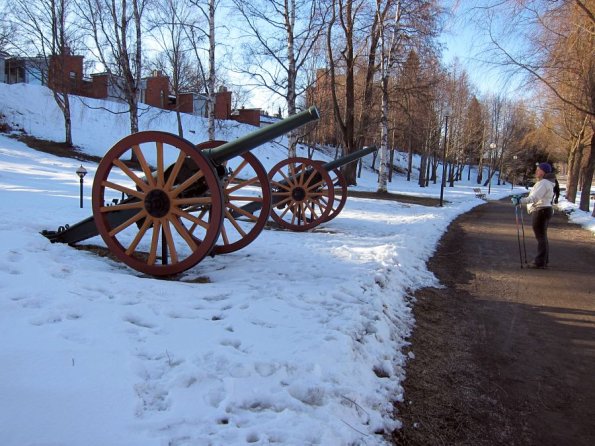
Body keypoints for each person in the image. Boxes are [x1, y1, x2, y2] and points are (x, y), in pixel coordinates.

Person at [511, 162, 556, 268]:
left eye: (538, 169)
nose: (536, 171)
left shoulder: (544, 183)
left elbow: (535, 198)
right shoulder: (546, 182)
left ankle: (540, 262)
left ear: (544, 171)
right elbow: (536, 195)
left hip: (541, 210)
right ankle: (543, 260)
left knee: (540, 237)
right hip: (544, 210)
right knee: (542, 236)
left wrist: (520, 200)